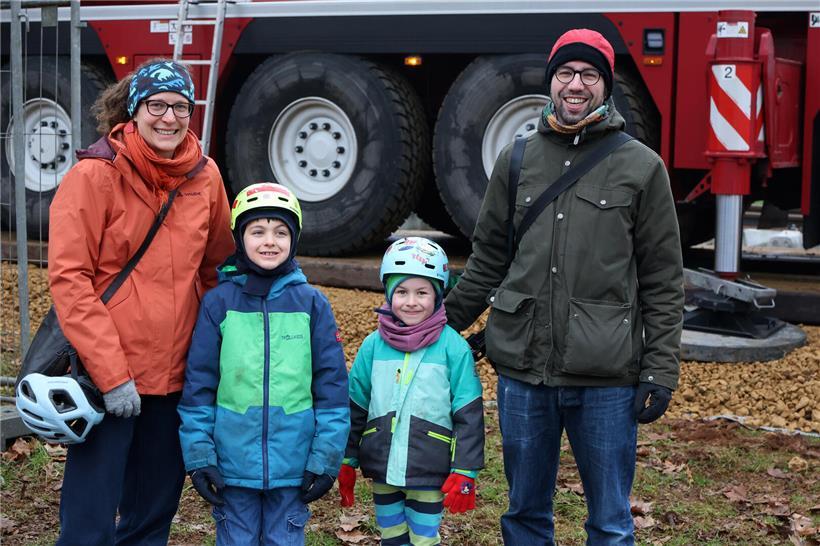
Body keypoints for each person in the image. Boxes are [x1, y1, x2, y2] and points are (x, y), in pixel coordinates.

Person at [444, 29, 684, 545]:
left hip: (607, 379)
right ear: (552, 82)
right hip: (524, 372)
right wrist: (433, 327)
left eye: (590, 75)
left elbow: (663, 280)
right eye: (566, 74)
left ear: (606, 85)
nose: (577, 85)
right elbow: (488, 258)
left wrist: (660, 368)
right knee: (525, 513)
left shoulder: (642, 168)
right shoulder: (516, 159)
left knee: (610, 522)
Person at [47, 58, 235, 545]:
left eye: (180, 107)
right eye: (157, 105)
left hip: (177, 376)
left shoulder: (206, 176)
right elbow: (71, 280)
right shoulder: (92, 177)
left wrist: (208, 357)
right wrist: (111, 376)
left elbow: (218, 270)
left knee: (154, 511)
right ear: (134, 110)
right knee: (89, 517)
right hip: (109, 376)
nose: (169, 118)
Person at [178, 182, 350, 545]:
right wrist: (199, 455)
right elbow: (199, 388)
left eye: (281, 232)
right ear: (240, 239)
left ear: (295, 239)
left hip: (293, 466)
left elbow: (332, 389)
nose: (269, 241)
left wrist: (326, 458)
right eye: (257, 231)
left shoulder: (312, 305)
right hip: (231, 466)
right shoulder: (218, 304)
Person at [338, 237, 485, 546]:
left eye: (422, 292)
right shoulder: (372, 346)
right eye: (401, 292)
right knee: (391, 536)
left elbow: (469, 413)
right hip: (382, 466)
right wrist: (347, 458)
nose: (411, 301)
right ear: (389, 294)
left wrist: (466, 470)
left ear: (438, 295)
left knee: (423, 538)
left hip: (430, 467)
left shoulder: (452, 347)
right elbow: (355, 407)